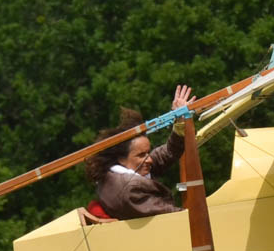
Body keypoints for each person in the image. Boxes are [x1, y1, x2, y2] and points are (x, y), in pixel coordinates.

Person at [83, 85, 198, 220]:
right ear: (121, 158)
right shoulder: (130, 189)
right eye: (141, 155)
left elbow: (167, 153)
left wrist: (180, 121)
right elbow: (172, 215)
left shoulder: (118, 173)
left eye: (147, 153)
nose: (149, 159)